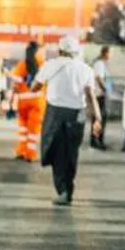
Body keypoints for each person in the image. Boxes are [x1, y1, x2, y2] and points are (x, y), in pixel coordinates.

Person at [30, 36, 102, 206]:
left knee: (54, 150)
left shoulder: (51, 65)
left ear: (60, 50)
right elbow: (91, 96)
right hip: (78, 115)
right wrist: (97, 119)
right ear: (77, 52)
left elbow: (35, 87)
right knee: (71, 152)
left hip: (55, 113)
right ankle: (67, 188)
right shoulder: (86, 69)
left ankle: (63, 189)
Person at [11, 42, 46, 162]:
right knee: (33, 130)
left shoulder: (21, 65)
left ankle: (20, 152)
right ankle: (30, 154)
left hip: (23, 101)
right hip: (37, 100)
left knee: (23, 129)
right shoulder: (42, 64)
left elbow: (15, 86)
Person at [91, 46, 113, 149]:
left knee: (98, 118)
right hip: (99, 95)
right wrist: (105, 89)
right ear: (105, 53)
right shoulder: (99, 63)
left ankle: (96, 140)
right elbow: (99, 77)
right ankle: (97, 141)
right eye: (110, 53)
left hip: (99, 94)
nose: (111, 55)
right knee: (100, 119)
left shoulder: (100, 62)